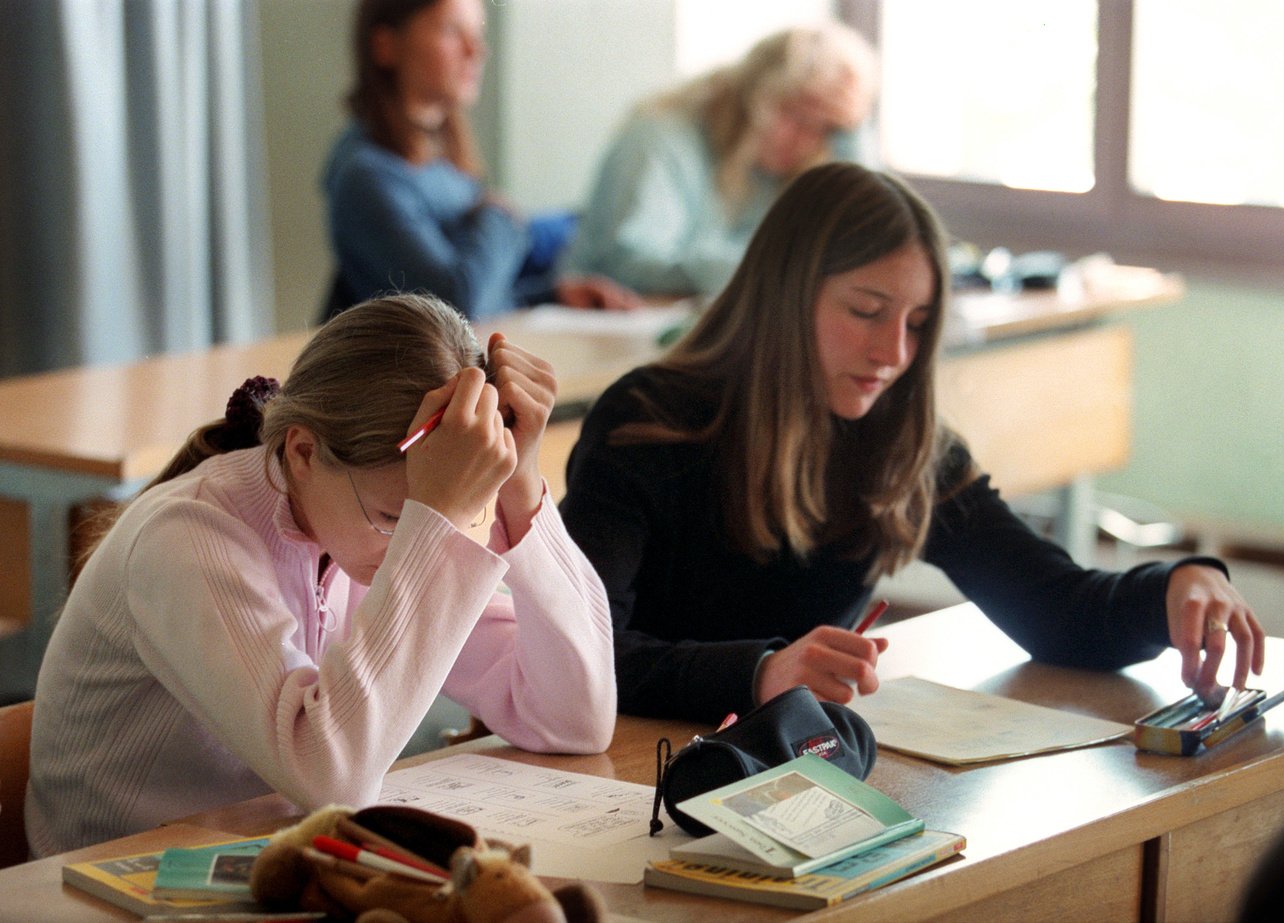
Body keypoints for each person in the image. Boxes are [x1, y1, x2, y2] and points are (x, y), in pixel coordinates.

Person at [558, 162, 1265, 722]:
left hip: (787, 771)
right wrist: (759, 671)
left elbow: (1055, 606)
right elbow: (583, 653)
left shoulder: (900, 441)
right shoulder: (649, 423)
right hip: (628, 762)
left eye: (918, 322)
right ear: (786, 295)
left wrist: (1175, 588)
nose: (892, 352)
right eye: (866, 312)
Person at [26, 293, 616, 857]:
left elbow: (572, 717)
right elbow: (331, 776)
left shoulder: (357, 532)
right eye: (394, 517)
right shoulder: (186, 536)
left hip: (272, 863)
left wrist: (521, 487)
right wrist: (434, 521)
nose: (407, 544)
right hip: (103, 887)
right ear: (303, 453)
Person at [322, 0, 638, 322]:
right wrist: (497, 215)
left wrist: (552, 295)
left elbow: (483, 294)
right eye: (451, 31)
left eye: (477, 33)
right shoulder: (366, 176)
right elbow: (453, 307)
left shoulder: (443, 166)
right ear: (385, 45)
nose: (476, 51)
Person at [562, 22, 879, 297]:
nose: (806, 140)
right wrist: (777, 266)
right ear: (755, 95)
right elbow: (630, 264)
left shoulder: (793, 167)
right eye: (796, 115)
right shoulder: (660, 138)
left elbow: (867, 238)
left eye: (826, 129)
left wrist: (853, 134)